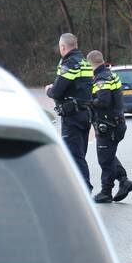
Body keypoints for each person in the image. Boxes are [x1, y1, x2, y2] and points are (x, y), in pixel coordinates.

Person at [87, 50, 132, 204]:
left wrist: (88, 102)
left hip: (109, 126)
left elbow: (103, 101)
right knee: (108, 155)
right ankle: (123, 180)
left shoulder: (101, 78)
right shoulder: (110, 75)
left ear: (90, 64)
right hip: (117, 123)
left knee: (105, 159)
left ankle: (106, 192)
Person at [46, 33, 93, 188]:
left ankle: (84, 190)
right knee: (80, 154)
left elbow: (57, 91)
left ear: (63, 47)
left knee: (74, 156)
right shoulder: (85, 62)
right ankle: (82, 188)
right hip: (86, 114)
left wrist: (49, 90)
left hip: (72, 116)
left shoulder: (69, 64)